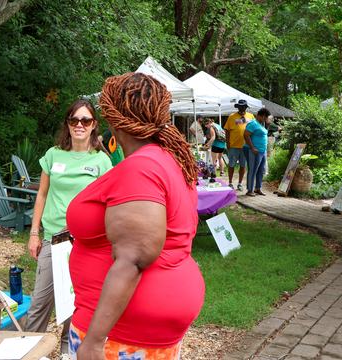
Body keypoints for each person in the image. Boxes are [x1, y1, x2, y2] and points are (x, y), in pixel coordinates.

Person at [66, 72, 205, 360]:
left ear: (113, 118)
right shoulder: (169, 158)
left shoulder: (141, 168)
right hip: (146, 321)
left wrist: (93, 341)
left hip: (122, 330)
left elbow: (133, 258)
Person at [26, 99, 112, 354]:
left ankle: (67, 351)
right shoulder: (53, 155)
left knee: (75, 303)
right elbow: (41, 195)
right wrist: (34, 233)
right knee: (40, 302)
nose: (79, 125)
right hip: (54, 239)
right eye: (74, 120)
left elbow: (108, 202)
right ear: (68, 123)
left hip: (85, 243)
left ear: (94, 125)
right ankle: (31, 349)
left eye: (85, 120)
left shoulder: (101, 161)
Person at [224, 99, 254, 190]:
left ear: (246, 107)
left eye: (244, 106)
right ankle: (230, 182)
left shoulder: (251, 116)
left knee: (243, 165)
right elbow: (227, 130)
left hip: (246, 146)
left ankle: (240, 183)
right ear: (238, 107)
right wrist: (228, 143)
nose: (242, 108)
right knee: (231, 165)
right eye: (240, 107)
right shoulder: (232, 116)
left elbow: (254, 129)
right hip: (234, 146)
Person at [244, 108, 271, 196]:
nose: (266, 119)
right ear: (262, 116)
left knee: (261, 170)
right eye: (265, 117)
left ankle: (257, 188)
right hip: (255, 151)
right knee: (253, 170)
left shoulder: (262, 124)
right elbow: (246, 135)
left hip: (262, 151)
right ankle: (250, 190)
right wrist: (252, 148)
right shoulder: (253, 123)